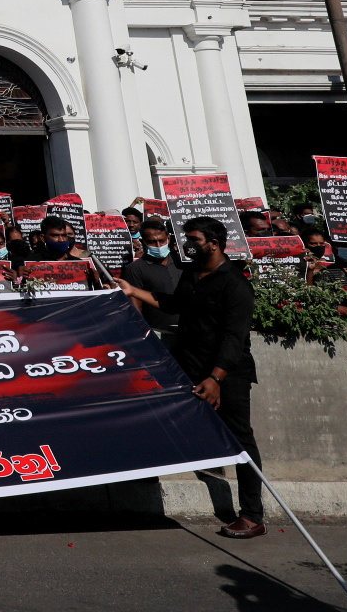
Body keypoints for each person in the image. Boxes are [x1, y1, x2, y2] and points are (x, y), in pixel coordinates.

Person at [118, 217, 264, 539]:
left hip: (227, 374)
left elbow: (233, 337)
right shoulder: (192, 274)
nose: (188, 244)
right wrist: (133, 291)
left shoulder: (235, 284)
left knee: (240, 440)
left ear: (214, 243)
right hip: (191, 367)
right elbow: (173, 304)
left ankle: (253, 515)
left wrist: (215, 379)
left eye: (194, 239)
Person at [119, 218, 182, 333]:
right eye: (152, 242)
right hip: (157, 331)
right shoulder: (135, 269)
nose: (158, 245)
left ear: (169, 238)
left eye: (162, 241)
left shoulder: (182, 263)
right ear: (144, 242)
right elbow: (135, 306)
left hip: (187, 330)